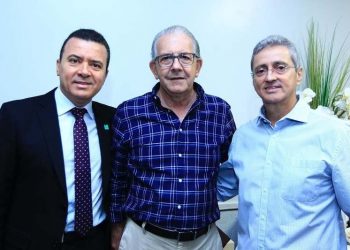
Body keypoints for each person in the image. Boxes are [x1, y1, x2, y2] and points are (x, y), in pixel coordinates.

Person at [217, 35, 350, 249]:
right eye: (261, 70)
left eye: (280, 67)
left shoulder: (333, 133)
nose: (270, 77)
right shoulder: (243, 138)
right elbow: (214, 189)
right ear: (253, 80)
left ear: (299, 74)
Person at [110, 25, 236, 250]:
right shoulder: (129, 113)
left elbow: (232, 166)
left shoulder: (220, 112)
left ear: (198, 66)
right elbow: (118, 181)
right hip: (144, 239)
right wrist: (117, 230)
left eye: (185, 58)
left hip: (204, 241)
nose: (176, 66)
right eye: (166, 58)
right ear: (154, 68)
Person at [0, 29, 115, 250]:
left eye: (95, 65)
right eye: (74, 60)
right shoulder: (16, 116)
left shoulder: (113, 119)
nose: (84, 71)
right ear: (58, 66)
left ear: (105, 75)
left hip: (95, 242)